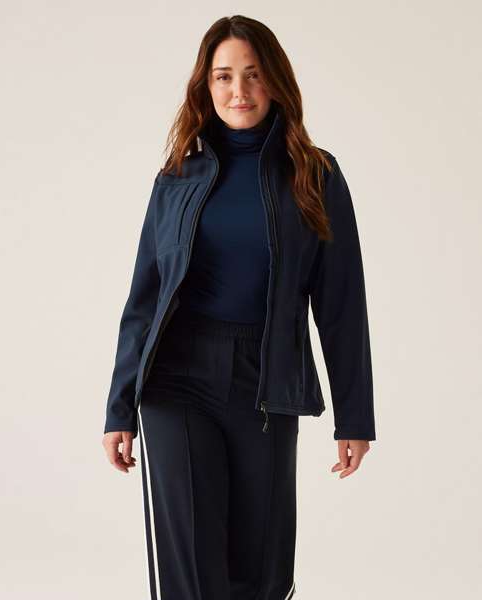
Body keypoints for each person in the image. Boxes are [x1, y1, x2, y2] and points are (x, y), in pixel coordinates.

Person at [102, 14, 376, 600]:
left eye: (253, 74)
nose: (239, 90)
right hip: (176, 377)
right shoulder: (177, 177)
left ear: (275, 80)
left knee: (262, 571)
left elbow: (342, 303)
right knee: (190, 570)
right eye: (223, 76)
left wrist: (355, 416)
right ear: (206, 87)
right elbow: (144, 297)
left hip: (266, 380)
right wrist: (119, 406)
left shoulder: (315, 175)